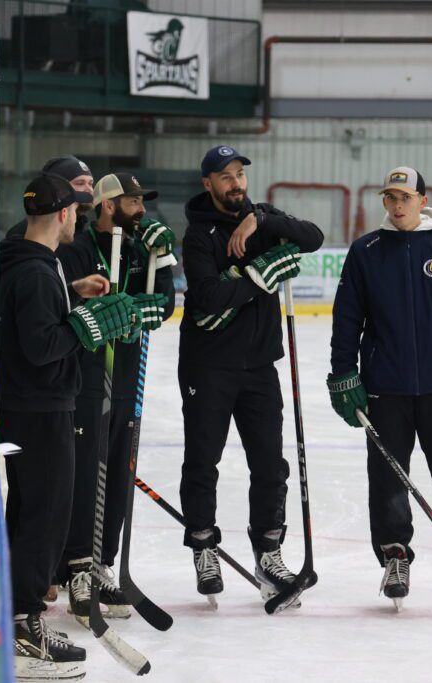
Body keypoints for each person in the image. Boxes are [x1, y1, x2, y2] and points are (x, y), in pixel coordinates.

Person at [326, 166, 432, 612]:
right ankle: (394, 555)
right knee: (387, 480)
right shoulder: (366, 252)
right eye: (390, 197)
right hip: (384, 389)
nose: (397, 205)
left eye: (405, 197)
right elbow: (347, 320)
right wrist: (343, 374)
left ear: (423, 200)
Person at [0, 173, 141, 679]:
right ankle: (24, 629)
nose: (78, 216)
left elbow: (34, 322)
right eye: (76, 210)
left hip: (31, 408)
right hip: (41, 410)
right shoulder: (36, 271)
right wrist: (86, 325)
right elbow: (40, 346)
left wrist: (75, 297)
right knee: (44, 516)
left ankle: (16, 616)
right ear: (62, 214)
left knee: (32, 511)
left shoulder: (30, 262)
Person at [178, 145, 324, 604]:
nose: (235, 183)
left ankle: (268, 551)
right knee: (203, 461)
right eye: (225, 176)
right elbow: (206, 298)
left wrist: (261, 219)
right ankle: (203, 546)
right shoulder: (198, 235)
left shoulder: (261, 220)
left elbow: (313, 236)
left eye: (239, 174)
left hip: (260, 366)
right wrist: (259, 277)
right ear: (208, 184)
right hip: (208, 366)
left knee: (269, 465)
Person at [55, 172, 176, 620]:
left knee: (119, 475)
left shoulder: (143, 248)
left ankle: (104, 563)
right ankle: (78, 567)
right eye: (133, 201)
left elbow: (163, 305)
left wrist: (163, 260)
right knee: (88, 472)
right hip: (87, 382)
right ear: (108, 205)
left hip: (125, 380)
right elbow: (68, 305)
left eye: (143, 200)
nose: (142, 208)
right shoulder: (78, 249)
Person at [4, 155, 94, 241]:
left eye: (90, 183)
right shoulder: (27, 233)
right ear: (59, 188)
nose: (89, 189)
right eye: (80, 183)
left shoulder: (82, 230)